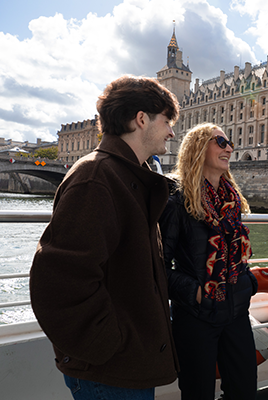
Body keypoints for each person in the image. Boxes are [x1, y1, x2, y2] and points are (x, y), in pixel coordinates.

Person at [30, 75, 179, 399]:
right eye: (167, 121)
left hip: (127, 364)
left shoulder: (126, 176)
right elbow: (57, 282)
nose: (171, 131)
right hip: (110, 369)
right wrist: (109, 344)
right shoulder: (97, 177)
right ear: (141, 119)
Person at [160, 123, 257, 400]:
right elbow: (158, 265)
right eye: (221, 141)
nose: (229, 148)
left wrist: (248, 283)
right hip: (196, 316)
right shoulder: (177, 201)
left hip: (236, 311)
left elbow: (238, 255)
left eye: (230, 143)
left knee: (244, 390)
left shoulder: (231, 201)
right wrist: (195, 293)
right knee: (197, 393)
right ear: (199, 147)